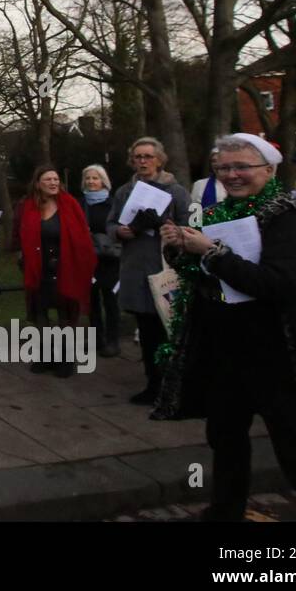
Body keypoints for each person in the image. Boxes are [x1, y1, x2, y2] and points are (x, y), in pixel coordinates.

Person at [158, 133, 296, 521]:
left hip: (281, 353)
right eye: (224, 168)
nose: (232, 175)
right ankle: (226, 511)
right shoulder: (219, 213)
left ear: (269, 169)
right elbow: (204, 277)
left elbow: (279, 284)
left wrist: (211, 251)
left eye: (242, 167)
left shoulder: (288, 218)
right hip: (229, 350)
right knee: (225, 438)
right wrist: (180, 247)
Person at [107, 136, 191, 405]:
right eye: (138, 157)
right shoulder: (123, 192)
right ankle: (153, 383)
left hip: (164, 268)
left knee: (169, 329)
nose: (142, 161)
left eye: (148, 156)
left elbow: (190, 224)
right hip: (134, 268)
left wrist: (175, 232)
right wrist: (118, 231)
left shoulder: (175, 190)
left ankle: (175, 383)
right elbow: (110, 224)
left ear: (159, 160)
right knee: (147, 330)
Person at [13, 165, 97, 376]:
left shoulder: (70, 205)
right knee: (41, 314)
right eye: (48, 179)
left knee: (65, 315)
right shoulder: (28, 206)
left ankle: (66, 359)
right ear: (38, 183)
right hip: (38, 268)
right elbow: (18, 235)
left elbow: (81, 236)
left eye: (56, 179)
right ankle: (45, 356)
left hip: (65, 266)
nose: (53, 183)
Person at [81, 164, 121, 358]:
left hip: (109, 258)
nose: (91, 182)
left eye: (95, 178)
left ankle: (113, 340)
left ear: (103, 181)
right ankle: (97, 338)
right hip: (88, 258)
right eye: (88, 178)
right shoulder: (81, 204)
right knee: (92, 300)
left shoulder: (113, 204)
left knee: (110, 300)